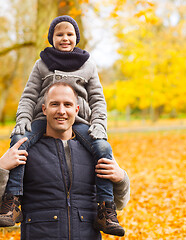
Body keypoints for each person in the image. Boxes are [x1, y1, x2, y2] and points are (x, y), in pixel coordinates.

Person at [0, 15, 125, 236]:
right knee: (19, 141)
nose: (65, 38)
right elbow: (28, 96)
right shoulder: (42, 64)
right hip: (40, 231)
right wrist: (2, 165)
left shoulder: (87, 64)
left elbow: (98, 99)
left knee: (104, 148)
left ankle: (105, 211)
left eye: (70, 34)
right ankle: (12, 202)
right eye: (59, 34)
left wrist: (120, 177)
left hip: (85, 125)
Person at [1, 82, 130, 239]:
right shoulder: (24, 150)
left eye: (67, 104)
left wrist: (121, 178)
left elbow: (120, 203)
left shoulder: (94, 151)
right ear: (44, 109)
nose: (61, 111)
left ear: (76, 110)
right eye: (54, 104)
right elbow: (5, 207)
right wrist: (1, 168)